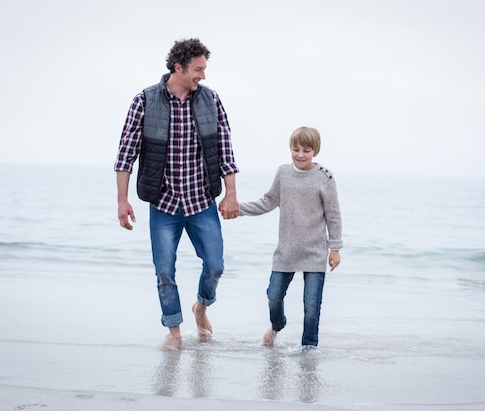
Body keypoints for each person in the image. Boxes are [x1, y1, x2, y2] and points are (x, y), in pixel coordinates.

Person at [114, 38, 239, 350]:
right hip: (164, 204)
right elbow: (125, 153)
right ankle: (174, 333)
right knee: (165, 271)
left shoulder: (210, 100)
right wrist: (122, 199)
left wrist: (231, 194)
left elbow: (225, 147)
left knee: (215, 266)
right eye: (198, 70)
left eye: (204, 69)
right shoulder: (145, 100)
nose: (203, 76)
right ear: (178, 67)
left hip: (201, 201)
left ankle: (201, 307)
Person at [238, 126, 342, 349]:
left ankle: (309, 348)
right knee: (273, 296)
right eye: (296, 149)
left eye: (306, 150)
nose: (300, 154)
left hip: (315, 252)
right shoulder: (283, 173)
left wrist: (335, 248)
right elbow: (268, 201)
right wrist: (239, 209)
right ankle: (277, 325)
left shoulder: (325, 177)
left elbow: (333, 215)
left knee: (311, 304)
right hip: (286, 251)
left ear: (315, 151)